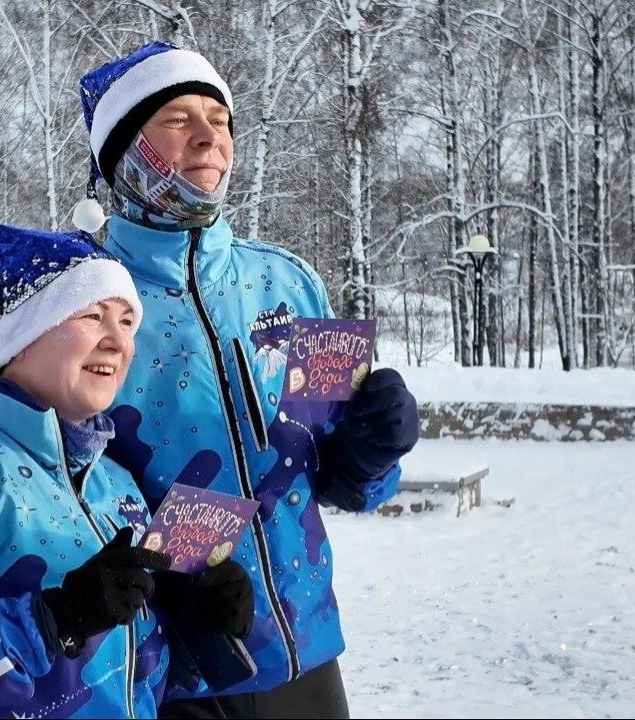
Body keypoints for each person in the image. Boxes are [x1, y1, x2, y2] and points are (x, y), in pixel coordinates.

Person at [74, 42, 421, 718]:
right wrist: (165, 575)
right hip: (168, 668)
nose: (209, 136)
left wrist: (373, 449)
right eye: (177, 119)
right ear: (123, 151)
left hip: (305, 653)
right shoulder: (83, 299)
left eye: (220, 118)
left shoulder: (288, 280)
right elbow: (53, 489)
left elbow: (340, 477)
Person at [0, 223, 249, 719]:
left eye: (127, 322)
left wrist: (189, 618)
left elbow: (121, 673)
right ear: (21, 338)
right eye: (92, 316)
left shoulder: (114, 481)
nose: (117, 342)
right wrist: (54, 620)